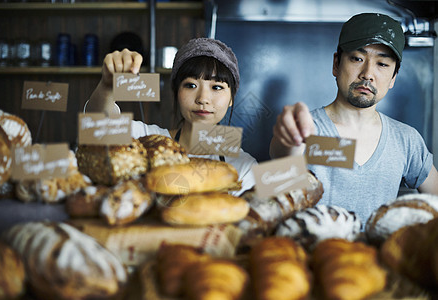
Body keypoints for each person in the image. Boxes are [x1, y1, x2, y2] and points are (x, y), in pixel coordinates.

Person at [270, 13, 438, 223]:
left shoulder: (406, 139)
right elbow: (269, 195)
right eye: (357, 58)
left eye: (382, 64)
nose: (368, 74)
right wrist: (288, 149)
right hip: (312, 252)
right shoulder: (304, 128)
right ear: (336, 64)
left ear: (393, 78)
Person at [84, 37, 257, 195]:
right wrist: (107, 86)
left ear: (231, 98)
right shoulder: (146, 141)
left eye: (217, 87)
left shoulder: (244, 167)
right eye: (190, 85)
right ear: (176, 92)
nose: (203, 99)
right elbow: (98, 127)